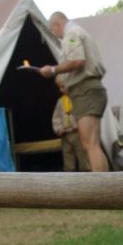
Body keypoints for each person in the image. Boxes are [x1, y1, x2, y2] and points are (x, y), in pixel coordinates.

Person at [40, 12, 109, 172]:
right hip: (89, 89)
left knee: (89, 143)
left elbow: (77, 60)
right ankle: (106, 185)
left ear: (56, 25)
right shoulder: (79, 31)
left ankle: (102, 188)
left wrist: (52, 70)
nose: (56, 37)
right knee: (94, 144)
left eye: (53, 32)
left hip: (85, 90)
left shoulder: (71, 33)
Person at [52, 78, 90, 172]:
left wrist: (81, 125)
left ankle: (86, 174)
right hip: (65, 134)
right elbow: (56, 117)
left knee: (82, 154)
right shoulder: (60, 101)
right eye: (60, 88)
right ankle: (69, 174)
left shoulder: (78, 99)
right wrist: (58, 128)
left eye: (63, 87)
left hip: (78, 132)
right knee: (67, 155)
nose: (61, 90)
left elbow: (84, 113)